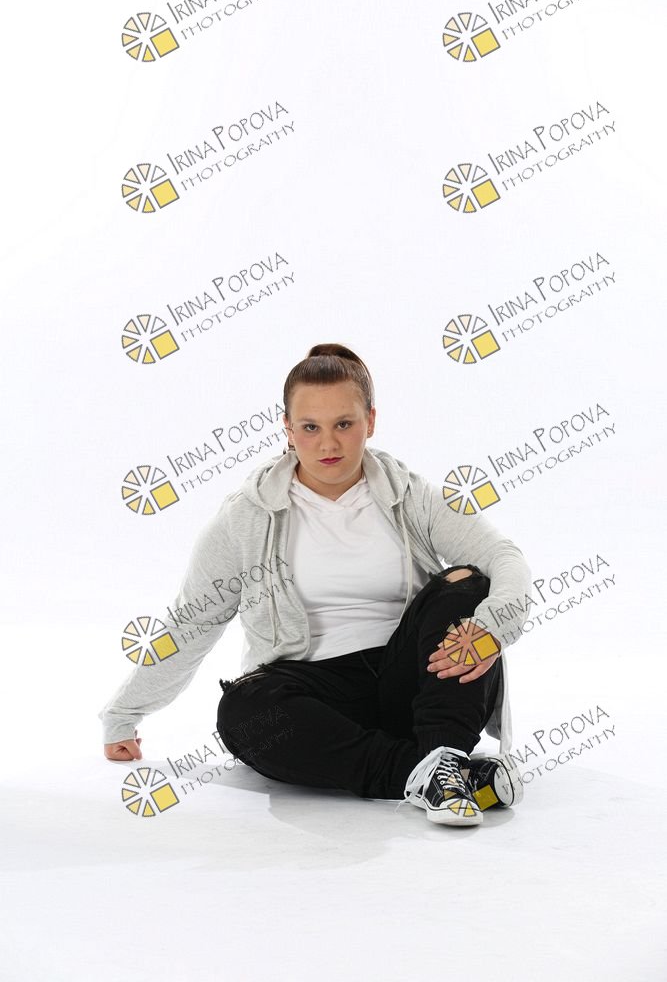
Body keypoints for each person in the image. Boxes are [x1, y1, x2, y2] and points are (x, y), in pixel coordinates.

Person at [100, 343, 533, 827]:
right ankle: (443, 774)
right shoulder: (246, 517)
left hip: (413, 682)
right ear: (288, 429)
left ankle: (442, 754)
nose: (329, 444)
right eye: (310, 427)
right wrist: (123, 715)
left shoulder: (412, 496)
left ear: (370, 421)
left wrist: (493, 628)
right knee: (244, 710)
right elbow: (192, 622)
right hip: (313, 696)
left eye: (344, 424)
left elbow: (504, 557)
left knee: (466, 585)